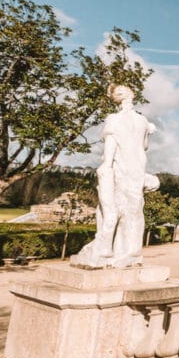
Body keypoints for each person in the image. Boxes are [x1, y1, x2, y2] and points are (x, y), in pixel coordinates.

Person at [71, 84, 157, 268]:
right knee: (133, 208)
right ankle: (130, 252)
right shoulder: (142, 121)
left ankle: (107, 250)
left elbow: (111, 142)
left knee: (110, 208)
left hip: (121, 166)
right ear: (131, 96)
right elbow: (145, 146)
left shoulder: (114, 119)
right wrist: (148, 131)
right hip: (137, 167)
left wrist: (107, 165)